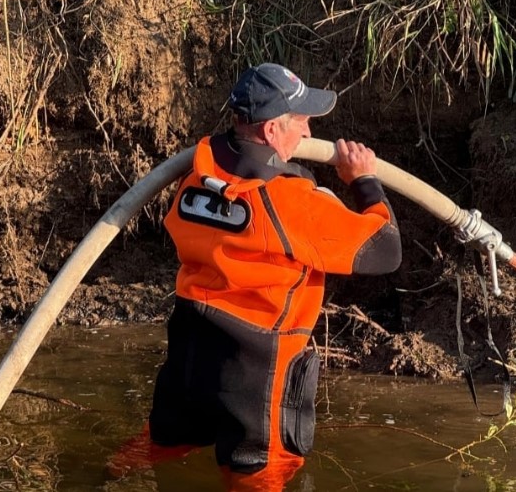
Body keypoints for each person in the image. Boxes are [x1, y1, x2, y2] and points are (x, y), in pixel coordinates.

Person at [112, 63, 402, 490]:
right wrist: (364, 181)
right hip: (257, 373)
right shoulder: (292, 202)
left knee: (159, 450)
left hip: (189, 357)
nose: (307, 134)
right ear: (270, 132)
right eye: (301, 121)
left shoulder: (195, 177)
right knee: (261, 478)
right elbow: (386, 249)